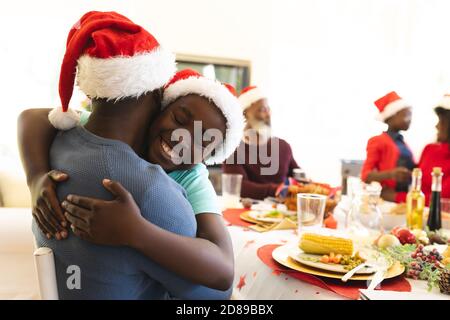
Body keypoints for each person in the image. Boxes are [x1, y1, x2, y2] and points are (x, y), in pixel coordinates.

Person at [18, 11, 236, 299]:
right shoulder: (152, 193)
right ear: (160, 103)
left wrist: (138, 232)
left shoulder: (191, 177)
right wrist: (35, 178)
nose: (184, 139)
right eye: (180, 118)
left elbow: (222, 268)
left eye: (203, 142)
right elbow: (32, 118)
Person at [222, 86, 301, 200]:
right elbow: (239, 186)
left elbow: (297, 176)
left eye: (269, 109)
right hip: (247, 213)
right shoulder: (233, 148)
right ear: (245, 114)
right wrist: (278, 190)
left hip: (282, 213)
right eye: (263, 110)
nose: (268, 115)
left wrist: (309, 185)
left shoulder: (283, 146)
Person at [361, 91, 415, 202]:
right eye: (407, 114)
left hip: (405, 198)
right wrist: (391, 174)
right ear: (392, 116)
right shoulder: (377, 141)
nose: (410, 119)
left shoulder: (403, 143)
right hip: (388, 199)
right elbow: (365, 175)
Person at [417, 94, 450, 204]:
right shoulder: (429, 149)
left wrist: (396, 196)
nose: (437, 126)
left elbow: (442, 200)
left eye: (441, 121)